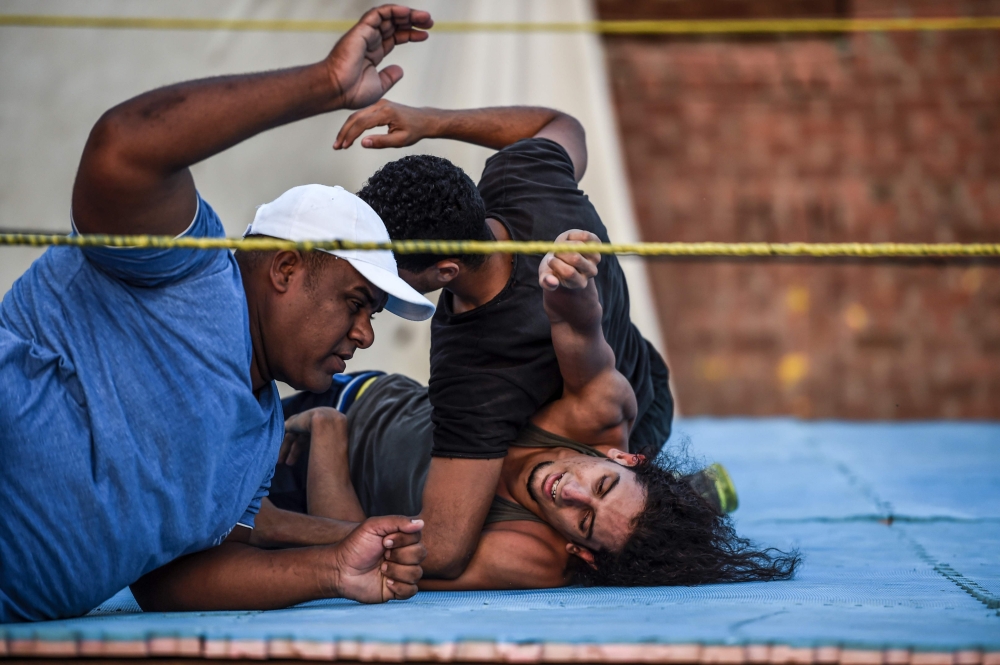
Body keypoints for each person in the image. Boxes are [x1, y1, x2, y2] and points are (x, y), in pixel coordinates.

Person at [0, 6, 437, 623]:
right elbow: (123, 148)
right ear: (286, 268)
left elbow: (169, 578)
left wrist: (335, 567)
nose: (366, 333)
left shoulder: (260, 438)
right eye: (357, 303)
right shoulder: (188, 267)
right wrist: (326, 86)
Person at [267, 237, 797, 589]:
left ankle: (683, 502)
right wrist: (570, 280)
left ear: (579, 550)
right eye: (602, 485)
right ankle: (686, 495)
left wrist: (330, 437)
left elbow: (366, 554)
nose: (566, 491)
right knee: (644, 388)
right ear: (622, 456)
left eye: (583, 520)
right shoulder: (600, 413)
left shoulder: (529, 556)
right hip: (364, 395)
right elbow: (580, 331)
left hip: (328, 453)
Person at [337, 101, 675, 579]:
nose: (380, 282)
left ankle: (675, 507)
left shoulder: (474, 377)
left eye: (390, 269)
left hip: (616, 433)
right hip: (643, 383)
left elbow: (444, 551)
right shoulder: (528, 180)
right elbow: (557, 125)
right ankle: (670, 501)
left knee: (619, 543)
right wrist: (435, 122)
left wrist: (322, 465)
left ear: (445, 271)